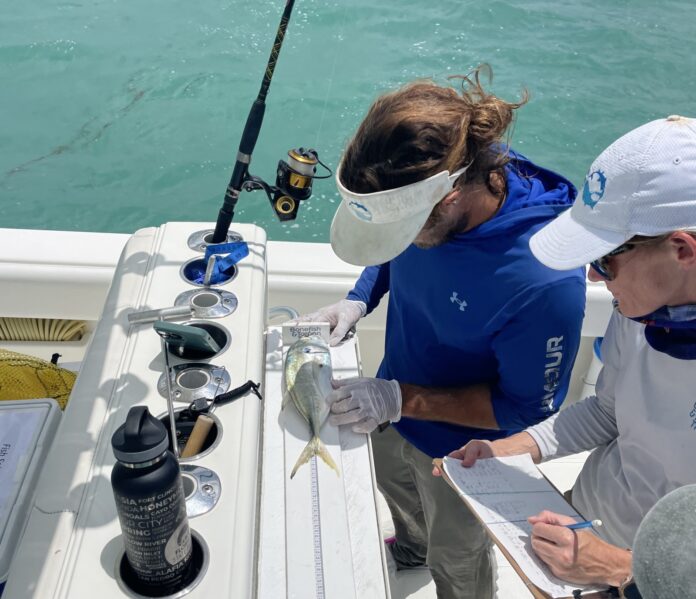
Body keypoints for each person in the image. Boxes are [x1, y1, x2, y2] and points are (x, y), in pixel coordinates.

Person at [295, 69, 586, 599]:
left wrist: (399, 398)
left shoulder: (542, 278)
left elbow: (526, 410)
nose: (399, 240)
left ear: (450, 198)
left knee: (456, 558)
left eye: (405, 230)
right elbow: (395, 247)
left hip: (461, 457)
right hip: (387, 410)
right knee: (398, 497)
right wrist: (360, 298)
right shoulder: (438, 176)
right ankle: (409, 546)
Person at [443, 115, 696, 597]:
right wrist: (507, 449)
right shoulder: (640, 306)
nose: (596, 279)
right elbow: (607, 412)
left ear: (682, 250)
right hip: (580, 525)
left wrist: (619, 568)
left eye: (605, 260)